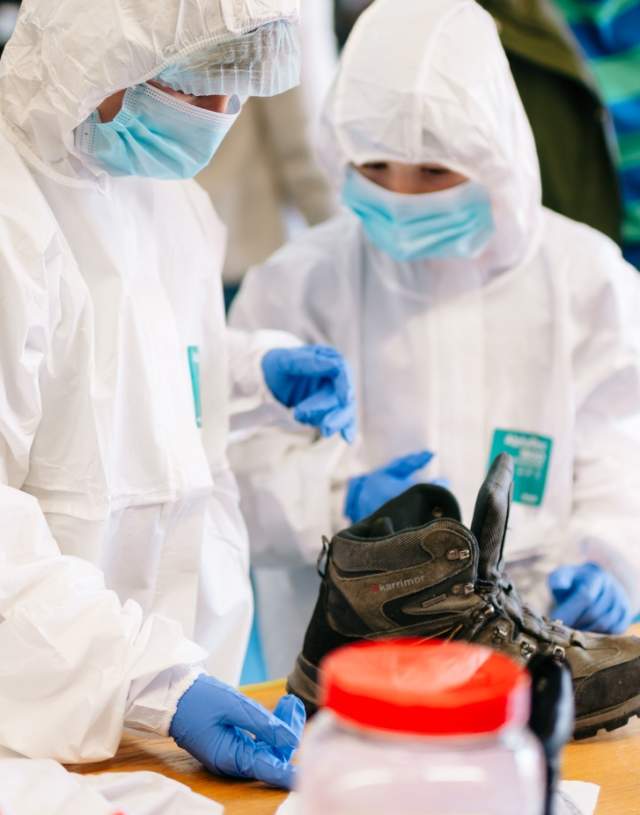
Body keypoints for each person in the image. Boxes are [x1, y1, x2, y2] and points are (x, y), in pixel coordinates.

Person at [0, 0, 357, 789]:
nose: (219, 117)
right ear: (104, 48)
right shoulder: (11, 213)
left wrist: (248, 370)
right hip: (31, 722)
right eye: (195, 88)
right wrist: (149, 681)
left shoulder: (165, 194)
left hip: (163, 721)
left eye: (237, 91)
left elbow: (126, 360)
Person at [229, 0, 640, 678]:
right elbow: (235, 460)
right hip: (352, 665)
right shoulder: (300, 282)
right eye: (376, 167)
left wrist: (611, 564)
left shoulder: (587, 282)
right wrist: (336, 500)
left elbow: (620, 448)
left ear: (497, 156)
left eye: (435, 173)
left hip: (542, 653)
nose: (401, 195)